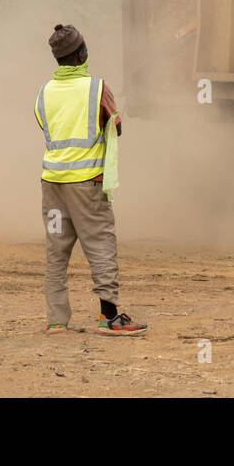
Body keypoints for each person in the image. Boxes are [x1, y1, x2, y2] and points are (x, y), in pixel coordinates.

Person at [35, 23, 146, 336]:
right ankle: (109, 318)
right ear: (82, 53)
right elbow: (116, 126)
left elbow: (44, 125)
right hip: (87, 185)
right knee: (100, 246)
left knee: (56, 252)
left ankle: (56, 321)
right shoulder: (97, 88)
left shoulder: (44, 91)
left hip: (51, 185)